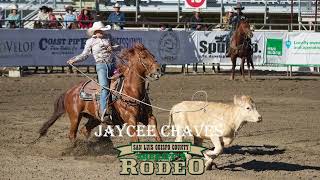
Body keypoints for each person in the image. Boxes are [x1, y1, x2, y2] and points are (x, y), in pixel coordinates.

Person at [67, 21, 120, 122]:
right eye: (100, 30)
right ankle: (104, 111)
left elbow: (119, 47)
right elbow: (85, 55)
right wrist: (74, 60)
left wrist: (112, 47)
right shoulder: (90, 41)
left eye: (102, 30)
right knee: (104, 87)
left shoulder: (109, 37)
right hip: (101, 66)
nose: (102, 32)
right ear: (95, 31)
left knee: (123, 82)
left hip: (113, 65)